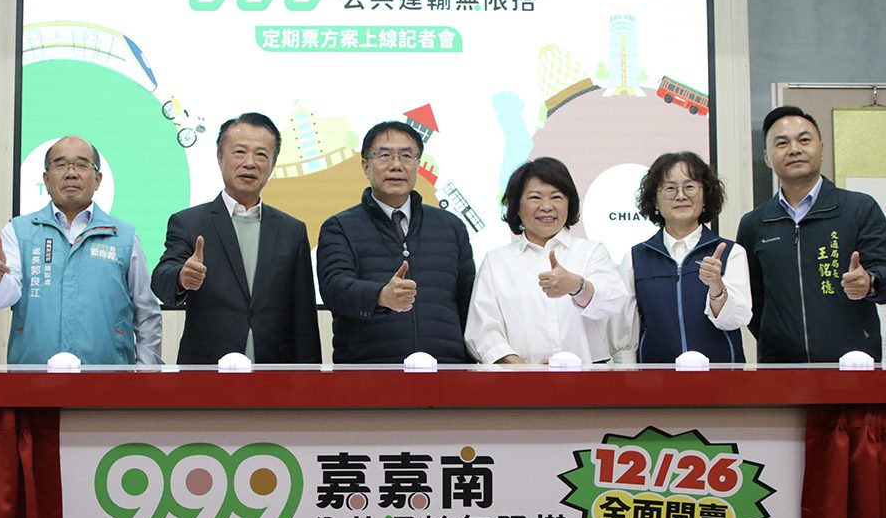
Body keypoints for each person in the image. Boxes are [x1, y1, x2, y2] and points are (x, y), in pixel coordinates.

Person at [150, 112, 320, 364]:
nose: (250, 163)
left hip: (274, 368)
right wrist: (181, 278)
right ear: (220, 157)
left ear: (273, 165)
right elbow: (160, 280)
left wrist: (309, 377)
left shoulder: (292, 231)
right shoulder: (189, 223)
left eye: (261, 155)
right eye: (239, 152)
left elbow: (304, 317)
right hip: (207, 367)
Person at [0, 135, 162, 365]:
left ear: (97, 179)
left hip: (108, 378)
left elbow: (147, 313)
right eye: (60, 165)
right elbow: (4, 298)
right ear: (46, 179)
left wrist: (146, 373)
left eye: (82, 165)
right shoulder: (18, 231)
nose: (71, 173)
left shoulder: (124, 236)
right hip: (33, 377)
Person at [736, 106, 886, 363]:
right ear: (767, 157)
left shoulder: (859, 208)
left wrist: (870, 282)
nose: (794, 149)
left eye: (804, 140)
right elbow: (753, 302)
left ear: (821, 148)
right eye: (782, 143)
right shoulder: (754, 224)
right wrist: (775, 340)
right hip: (781, 369)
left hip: (852, 363)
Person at [317, 121, 475, 363]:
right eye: (384, 155)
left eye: (406, 156)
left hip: (444, 368)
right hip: (369, 370)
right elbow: (334, 289)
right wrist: (380, 296)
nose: (396, 165)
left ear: (418, 164)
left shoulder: (451, 227)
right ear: (366, 166)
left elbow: (468, 303)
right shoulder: (339, 227)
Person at [465, 157, 627, 364]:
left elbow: (613, 302)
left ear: (569, 203)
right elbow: (482, 330)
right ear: (516, 206)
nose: (547, 206)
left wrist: (577, 286)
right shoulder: (496, 261)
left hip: (586, 376)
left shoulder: (591, 252)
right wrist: (524, 370)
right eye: (535, 197)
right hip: (518, 378)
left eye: (556, 197)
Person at [611, 152, 751, 363]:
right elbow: (624, 334)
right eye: (670, 188)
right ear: (655, 201)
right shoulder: (635, 258)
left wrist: (716, 287)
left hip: (720, 376)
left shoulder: (731, 253)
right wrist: (629, 377)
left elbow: (735, 320)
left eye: (690, 187)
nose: (681, 196)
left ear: (705, 196)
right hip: (656, 378)